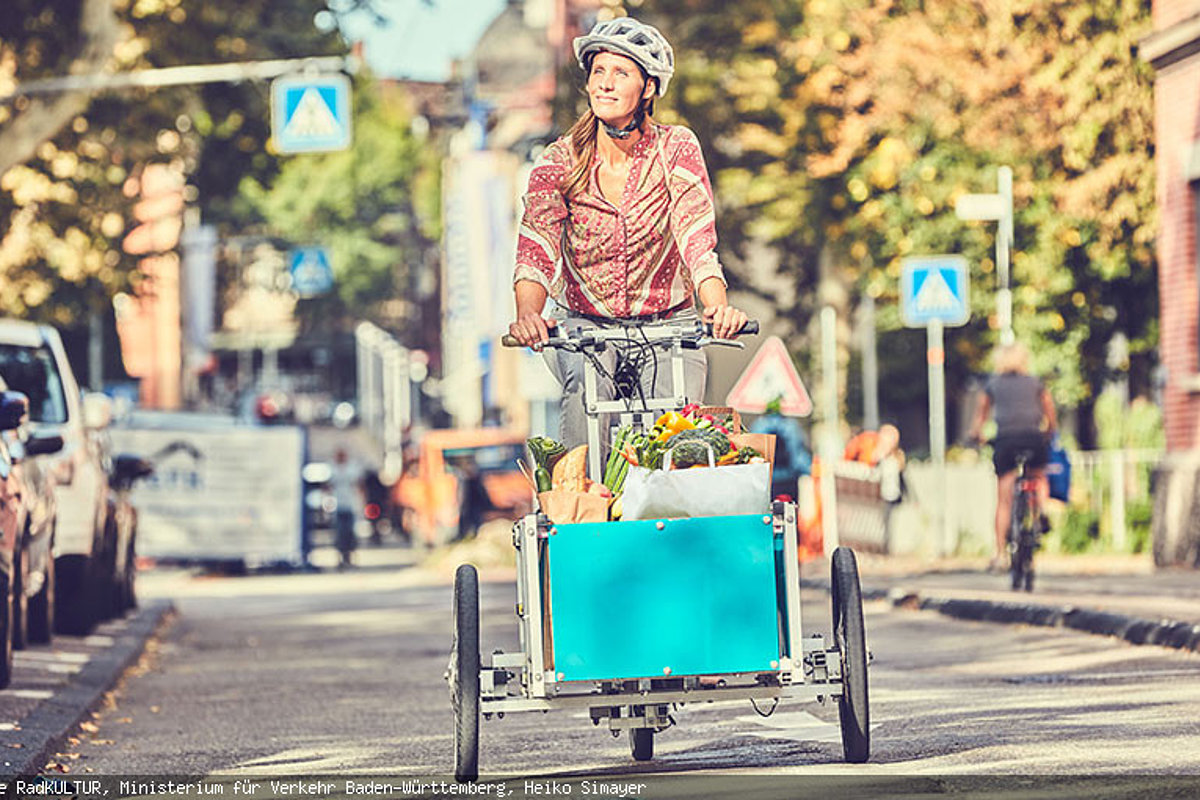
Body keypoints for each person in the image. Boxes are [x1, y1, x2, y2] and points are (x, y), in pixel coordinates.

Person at [507, 17, 748, 447]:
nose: (605, 83)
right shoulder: (558, 161)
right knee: (585, 403)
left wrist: (717, 308)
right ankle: (581, 508)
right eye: (598, 72)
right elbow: (537, 247)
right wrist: (529, 314)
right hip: (585, 326)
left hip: (667, 325)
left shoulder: (675, 148)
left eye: (621, 73)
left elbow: (696, 235)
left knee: (677, 438)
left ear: (649, 88)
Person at [967, 342, 1058, 571]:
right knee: (1038, 474)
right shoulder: (1036, 383)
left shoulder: (992, 385)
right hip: (1032, 438)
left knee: (1004, 499)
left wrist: (976, 435)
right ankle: (1040, 512)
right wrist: (1049, 431)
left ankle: (999, 555)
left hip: (1006, 440)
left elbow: (981, 415)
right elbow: (1049, 409)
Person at [750, 396, 812, 501]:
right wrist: (807, 471)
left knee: (768, 513)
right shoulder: (791, 425)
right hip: (789, 480)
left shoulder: (758, 425)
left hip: (767, 481)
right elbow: (798, 455)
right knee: (790, 512)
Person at [330, 448, 363, 569]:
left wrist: (361, 502)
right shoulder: (332, 469)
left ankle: (350, 557)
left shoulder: (352, 469)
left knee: (350, 533)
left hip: (351, 505)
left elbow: (359, 485)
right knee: (339, 534)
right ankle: (340, 558)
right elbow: (328, 486)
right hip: (338, 506)